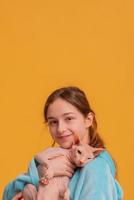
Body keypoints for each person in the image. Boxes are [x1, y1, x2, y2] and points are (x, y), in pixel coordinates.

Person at [3, 86, 123, 200]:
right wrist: (42, 173)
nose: (60, 129)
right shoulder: (54, 159)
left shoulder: (96, 168)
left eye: (69, 118)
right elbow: (8, 194)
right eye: (53, 122)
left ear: (88, 120)